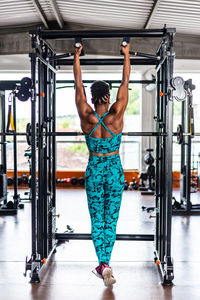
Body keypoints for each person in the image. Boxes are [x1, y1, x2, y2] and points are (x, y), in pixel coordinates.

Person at [73, 41, 130, 287]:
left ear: (93, 97)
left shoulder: (86, 115)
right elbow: (125, 82)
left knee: (97, 219)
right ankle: (105, 262)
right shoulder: (116, 114)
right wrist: (126, 54)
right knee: (111, 218)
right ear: (107, 96)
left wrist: (77, 56)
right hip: (114, 169)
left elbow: (78, 84)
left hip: (95, 169)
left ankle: (103, 263)